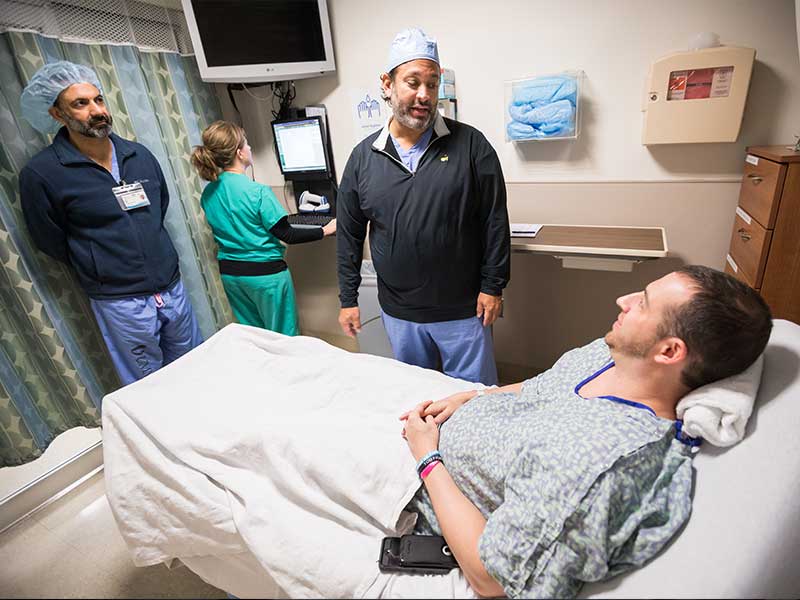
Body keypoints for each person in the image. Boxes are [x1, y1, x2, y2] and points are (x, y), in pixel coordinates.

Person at [398, 265, 772, 598]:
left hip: (418, 485)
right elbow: (543, 385)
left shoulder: (596, 463)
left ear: (670, 352)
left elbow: (488, 577)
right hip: (434, 427)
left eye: (642, 302)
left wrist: (428, 457)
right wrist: (473, 396)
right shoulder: (611, 354)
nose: (622, 300)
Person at [336, 27, 510, 386]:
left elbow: (494, 221)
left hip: (463, 313)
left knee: (473, 400)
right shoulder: (363, 158)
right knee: (417, 396)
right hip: (401, 315)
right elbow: (350, 235)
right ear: (387, 83)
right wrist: (347, 298)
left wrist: (493, 286)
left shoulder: (472, 146)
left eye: (432, 84)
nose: (424, 95)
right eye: (413, 82)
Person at [18, 61, 203, 387]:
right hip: (120, 298)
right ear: (58, 115)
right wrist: (102, 262)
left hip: (170, 284)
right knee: (147, 382)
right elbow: (50, 239)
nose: (96, 110)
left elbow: (158, 208)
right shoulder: (43, 173)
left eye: (98, 100)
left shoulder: (138, 155)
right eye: (81, 103)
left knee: (192, 366)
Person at [191, 121, 337, 335]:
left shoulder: (209, 194)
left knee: (255, 337)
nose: (250, 148)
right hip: (266, 277)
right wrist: (325, 229)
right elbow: (287, 234)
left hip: (232, 277)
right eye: (247, 144)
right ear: (239, 153)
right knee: (283, 336)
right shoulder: (257, 192)